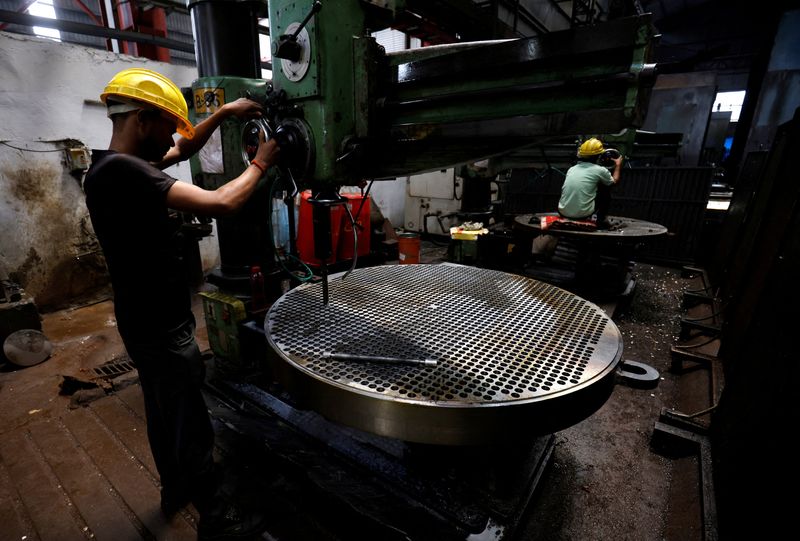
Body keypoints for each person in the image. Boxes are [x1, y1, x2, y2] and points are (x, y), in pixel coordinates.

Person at [83, 67, 279, 539]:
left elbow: (184, 149)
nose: (173, 134)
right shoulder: (127, 172)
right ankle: (218, 518)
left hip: (139, 315)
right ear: (143, 120)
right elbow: (222, 203)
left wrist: (226, 113)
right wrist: (261, 162)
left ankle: (175, 489)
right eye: (168, 124)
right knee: (190, 417)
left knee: (162, 407)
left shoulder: (109, 165)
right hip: (160, 322)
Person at [557, 137, 623, 229]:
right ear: (599, 156)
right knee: (606, 186)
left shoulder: (572, 169)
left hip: (562, 212)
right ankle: (601, 220)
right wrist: (618, 165)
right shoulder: (599, 170)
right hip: (582, 215)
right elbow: (614, 181)